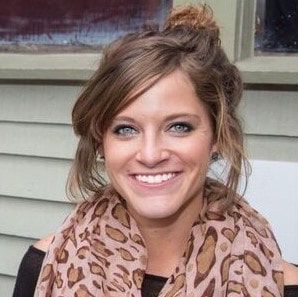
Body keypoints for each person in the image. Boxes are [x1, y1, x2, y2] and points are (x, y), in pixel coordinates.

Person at [13, 4, 298, 297]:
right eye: (125, 129)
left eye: (179, 127)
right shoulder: (46, 265)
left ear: (217, 135)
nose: (150, 155)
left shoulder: (281, 284)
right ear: (101, 141)